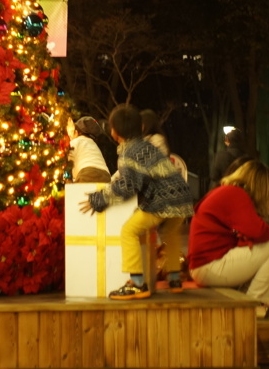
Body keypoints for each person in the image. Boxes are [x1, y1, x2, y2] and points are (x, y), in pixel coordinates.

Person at [80, 104, 195, 300]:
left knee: (129, 231)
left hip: (163, 201)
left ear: (115, 131)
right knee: (170, 233)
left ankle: (137, 283)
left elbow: (127, 186)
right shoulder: (148, 147)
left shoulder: (129, 153)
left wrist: (99, 198)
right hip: (182, 198)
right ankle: (175, 278)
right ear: (140, 127)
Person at [188, 160, 269, 319]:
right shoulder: (236, 194)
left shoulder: (226, 191)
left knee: (268, 249)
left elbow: (247, 234)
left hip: (204, 266)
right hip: (210, 267)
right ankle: (251, 304)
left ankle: (244, 300)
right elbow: (257, 231)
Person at [67, 116, 112, 183]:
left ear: (76, 132)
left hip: (87, 174)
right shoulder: (94, 145)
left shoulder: (75, 142)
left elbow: (69, 163)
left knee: (80, 192)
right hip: (106, 176)